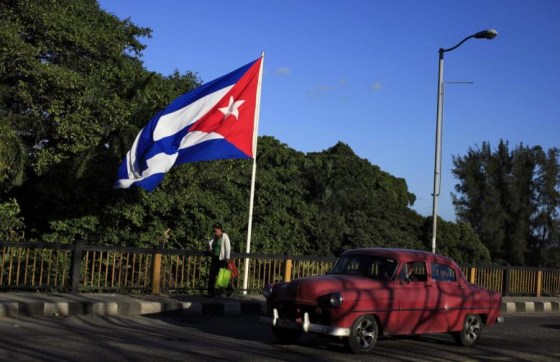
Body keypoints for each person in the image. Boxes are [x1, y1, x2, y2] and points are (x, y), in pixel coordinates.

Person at [206, 222, 233, 297]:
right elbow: (210, 243)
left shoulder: (225, 236)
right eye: (214, 230)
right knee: (212, 274)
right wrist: (209, 248)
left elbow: (228, 247)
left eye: (216, 230)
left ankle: (225, 290)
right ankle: (210, 291)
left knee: (221, 275)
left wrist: (227, 257)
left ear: (220, 230)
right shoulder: (214, 236)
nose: (215, 232)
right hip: (214, 257)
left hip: (222, 259)